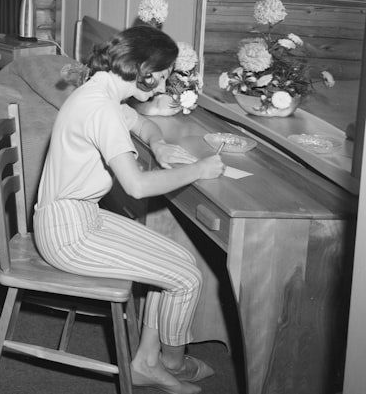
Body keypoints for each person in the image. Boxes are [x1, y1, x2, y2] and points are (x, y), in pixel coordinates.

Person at [33, 25, 225, 394]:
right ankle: (169, 361)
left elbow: (142, 122)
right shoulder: (99, 109)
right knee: (187, 279)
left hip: (78, 216)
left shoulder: (102, 90)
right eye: (164, 75)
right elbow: (136, 185)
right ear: (144, 69)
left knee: (180, 259)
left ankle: (148, 361)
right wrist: (199, 170)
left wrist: (160, 145)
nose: (163, 83)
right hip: (67, 235)